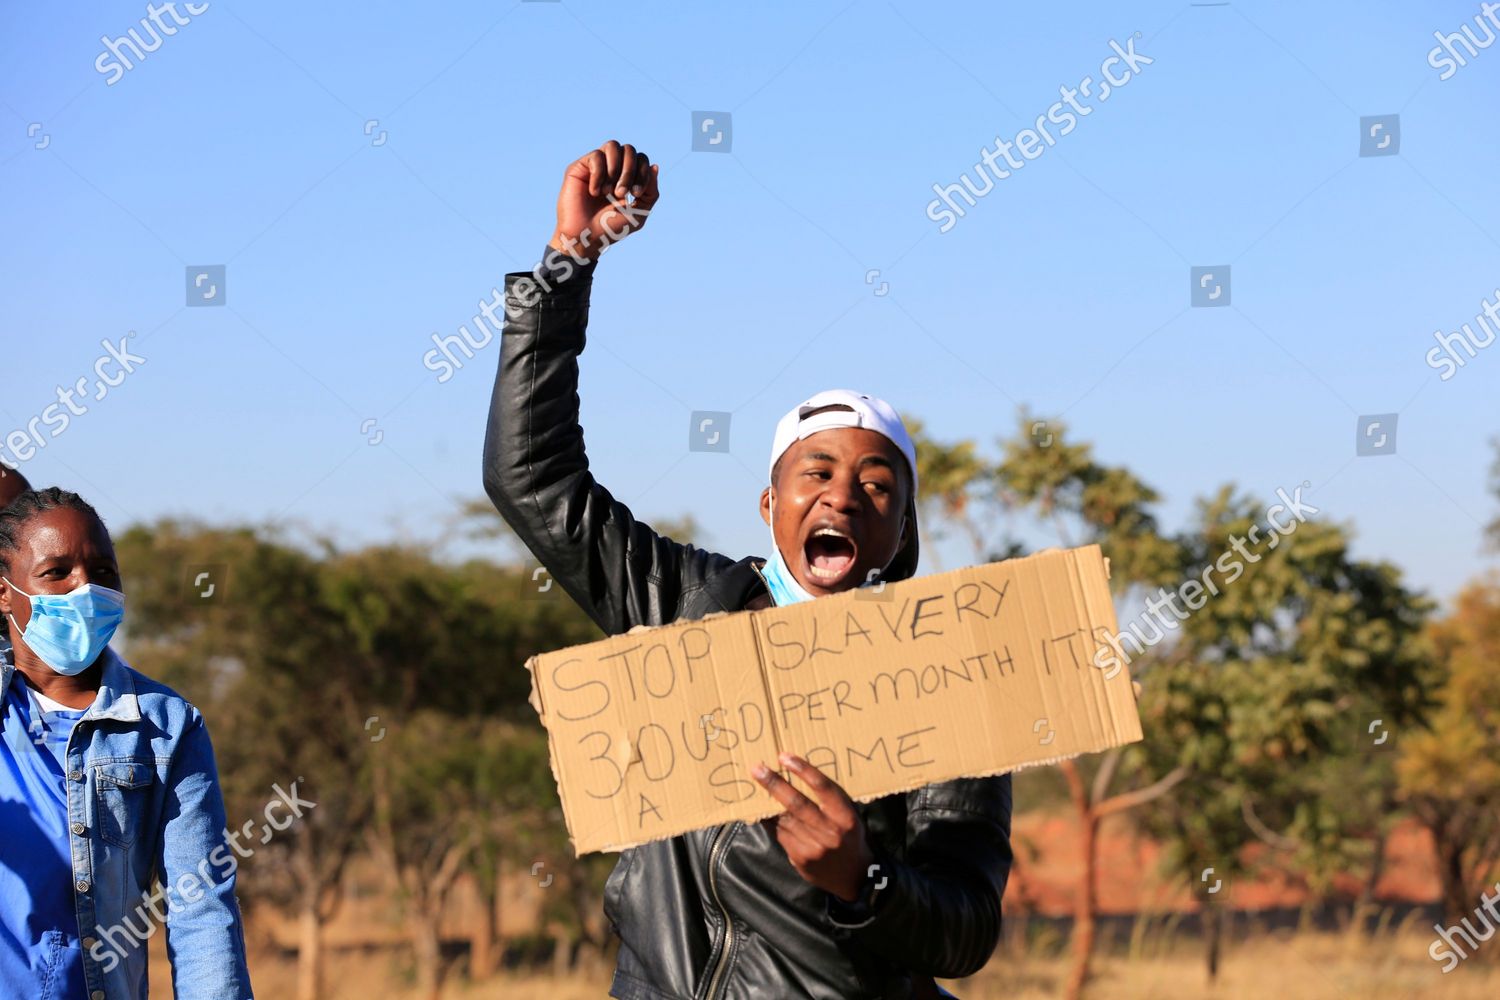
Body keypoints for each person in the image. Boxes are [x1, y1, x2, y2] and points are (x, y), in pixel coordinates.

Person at [484, 140, 1013, 1000]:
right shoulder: (686, 602)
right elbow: (531, 477)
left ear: (901, 534)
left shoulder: (950, 681)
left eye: (878, 487)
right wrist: (568, 264)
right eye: (817, 473)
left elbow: (967, 924)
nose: (843, 497)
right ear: (770, 508)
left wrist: (862, 879)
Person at [0, 487, 253, 999]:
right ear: (5, 592)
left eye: (103, 572)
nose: (84, 588)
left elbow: (201, 908)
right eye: (56, 572)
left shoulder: (165, 726)